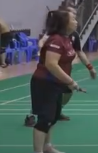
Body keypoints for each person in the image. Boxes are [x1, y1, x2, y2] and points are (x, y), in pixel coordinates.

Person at [25, 7, 96, 126]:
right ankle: (32, 115)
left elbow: (79, 52)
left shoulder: (73, 35)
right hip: (49, 75)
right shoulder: (55, 37)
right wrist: (45, 49)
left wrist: (90, 67)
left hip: (63, 73)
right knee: (44, 102)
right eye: (72, 16)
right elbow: (43, 43)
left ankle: (57, 110)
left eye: (75, 15)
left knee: (68, 92)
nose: (75, 19)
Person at [29, 10, 83, 153]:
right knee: (45, 119)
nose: (76, 21)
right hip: (45, 83)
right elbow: (51, 64)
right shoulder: (56, 40)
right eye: (73, 19)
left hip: (57, 83)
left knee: (53, 117)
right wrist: (70, 81)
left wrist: (66, 81)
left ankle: (47, 147)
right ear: (64, 23)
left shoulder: (67, 39)